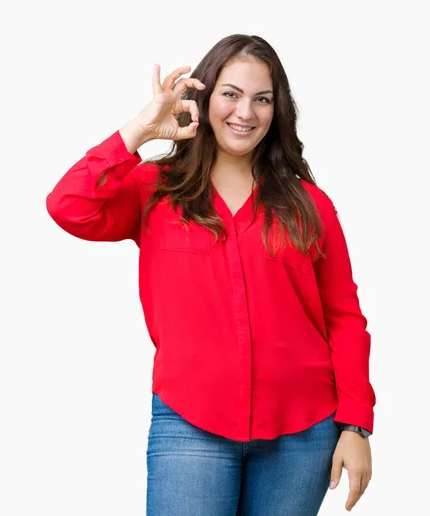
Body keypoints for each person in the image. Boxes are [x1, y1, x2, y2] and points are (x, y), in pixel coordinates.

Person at [46, 33, 376, 516]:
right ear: (204, 98)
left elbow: (344, 318)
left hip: (302, 433)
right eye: (231, 94)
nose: (246, 113)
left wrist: (355, 425)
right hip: (189, 423)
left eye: (261, 99)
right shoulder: (155, 190)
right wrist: (140, 130)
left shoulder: (310, 205)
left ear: (276, 108)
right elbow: (68, 207)